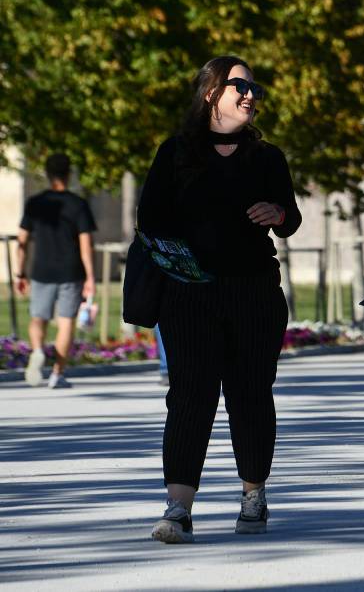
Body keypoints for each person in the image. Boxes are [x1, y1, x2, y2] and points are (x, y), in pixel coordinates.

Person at [137, 56, 301, 544]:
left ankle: (253, 493)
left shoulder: (266, 157)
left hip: (254, 293)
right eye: (240, 86)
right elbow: (150, 220)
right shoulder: (175, 154)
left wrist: (277, 212)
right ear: (211, 92)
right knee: (189, 397)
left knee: (251, 394)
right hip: (188, 297)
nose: (251, 95)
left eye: (255, 88)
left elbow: (290, 217)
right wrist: (178, 259)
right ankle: (179, 507)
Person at [16, 153, 97, 389]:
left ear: (48, 174)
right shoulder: (78, 204)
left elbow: (21, 241)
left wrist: (20, 273)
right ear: (68, 174)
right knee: (66, 322)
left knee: (37, 318)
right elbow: (85, 245)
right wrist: (90, 277)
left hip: (41, 270)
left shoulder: (35, 203)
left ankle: (38, 350)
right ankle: (57, 374)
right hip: (70, 271)